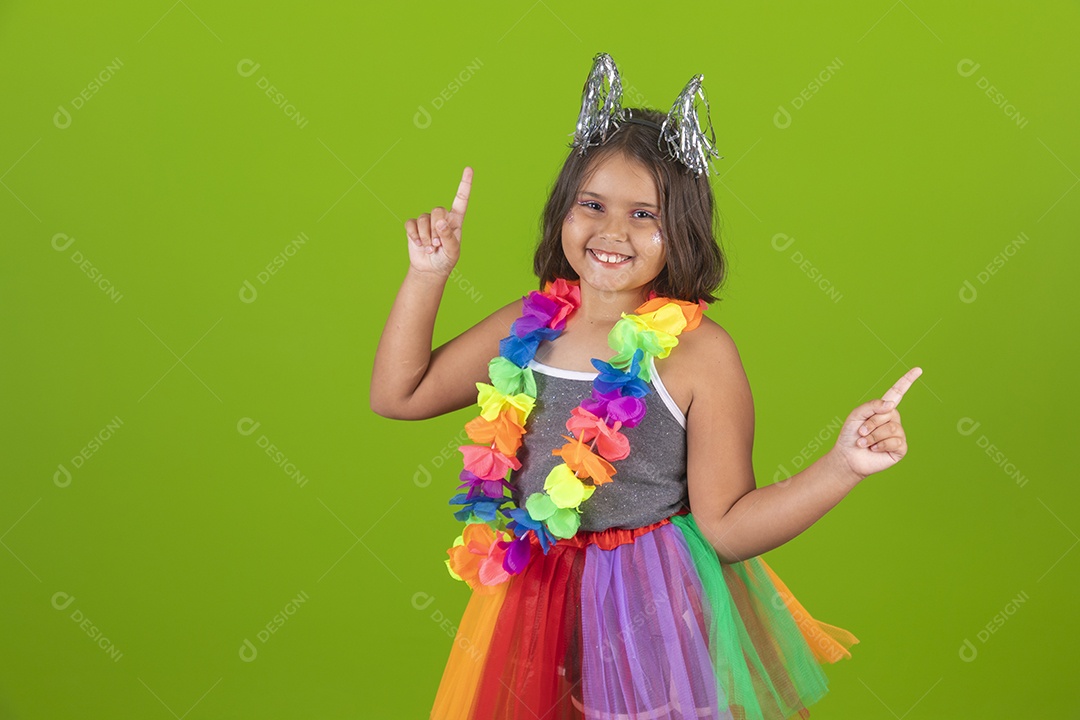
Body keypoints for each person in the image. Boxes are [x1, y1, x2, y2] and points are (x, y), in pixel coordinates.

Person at [371, 53, 922, 720]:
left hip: (649, 613)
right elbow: (399, 395)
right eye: (593, 205)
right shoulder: (529, 323)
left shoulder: (698, 354)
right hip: (536, 593)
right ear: (563, 210)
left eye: (644, 215)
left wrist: (843, 466)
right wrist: (428, 274)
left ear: (681, 231)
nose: (611, 231)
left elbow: (727, 529)